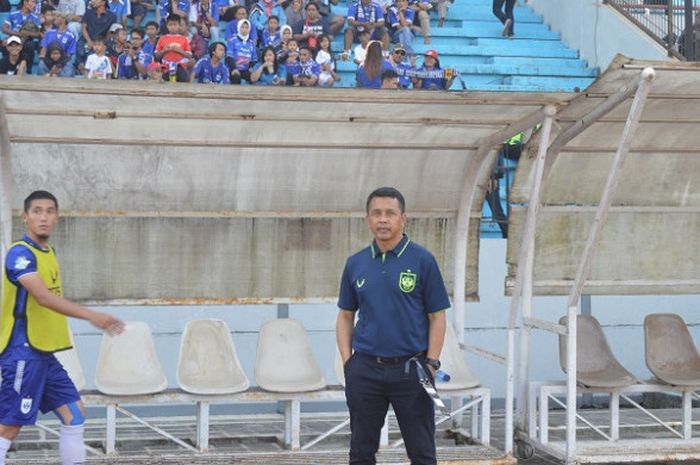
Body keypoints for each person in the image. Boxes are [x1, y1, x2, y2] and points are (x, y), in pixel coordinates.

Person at [0, 190, 124, 465]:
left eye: (49, 211)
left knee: (75, 414)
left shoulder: (48, 252)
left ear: (56, 217)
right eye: (37, 211)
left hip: (44, 354)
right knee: (10, 424)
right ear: (25, 217)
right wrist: (92, 315)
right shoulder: (20, 255)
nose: (43, 217)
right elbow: (43, 297)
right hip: (22, 353)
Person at [337, 186, 448, 465]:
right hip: (365, 371)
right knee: (361, 452)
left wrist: (431, 363)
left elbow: (438, 317)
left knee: (422, 452)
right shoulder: (355, 264)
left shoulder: (422, 260)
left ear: (403, 219)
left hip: (412, 370)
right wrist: (349, 363)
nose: (383, 220)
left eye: (390, 213)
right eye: (376, 213)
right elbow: (345, 316)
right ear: (368, 219)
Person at [2, 0, 42, 74]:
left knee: (30, 46)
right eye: (33, 2)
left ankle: (28, 70)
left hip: (27, 39)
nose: (34, 5)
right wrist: (15, 33)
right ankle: (6, 68)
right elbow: (4, 29)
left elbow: (38, 34)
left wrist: (28, 33)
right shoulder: (13, 14)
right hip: (14, 37)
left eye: (35, 3)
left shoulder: (35, 17)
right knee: (4, 45)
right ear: (25, 2)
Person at [155, 14, 193, 82]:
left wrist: (179, 50)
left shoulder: (184, 39)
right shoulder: (162, 38)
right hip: (166, 67)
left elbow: (189, 55)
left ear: (179, 26)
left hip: (180, 66)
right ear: (167, 26)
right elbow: (156, 56)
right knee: (164, 85)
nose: (172, 27)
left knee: (184, 82)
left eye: (175, 25)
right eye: (170, 25)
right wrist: (164, 50)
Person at [78, 0, 116, 67]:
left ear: (103, 2)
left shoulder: (112, 16)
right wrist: (89, 41)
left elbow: (110, 34)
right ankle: (80, 66)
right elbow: (83, 28)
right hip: (87, 39)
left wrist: (100, 43)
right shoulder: (88, 13)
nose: (93, 1)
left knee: (107, 47)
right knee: (80, 46)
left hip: (101, 41)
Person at [225, 18, 257, 84]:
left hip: (246, 70)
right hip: (234, 68)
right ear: (239, 28)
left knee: (253, 78)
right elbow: (229, 57)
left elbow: (254, 60)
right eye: (242, 27)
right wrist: (234, 69)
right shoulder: (233, 40)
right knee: (236, 77)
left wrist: (250, 68)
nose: (244, 29)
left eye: (246, 27)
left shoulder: (251, 43)